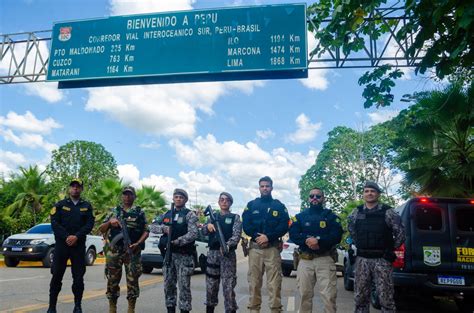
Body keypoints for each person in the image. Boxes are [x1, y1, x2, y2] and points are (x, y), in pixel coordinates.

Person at [348, 181, 406, 313]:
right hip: (362, 259)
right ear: (363, 194)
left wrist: (390, 249)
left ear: (378, 194)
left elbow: (401, 234)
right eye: (366, 191)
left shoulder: (388, 212)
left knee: (386, 298)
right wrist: (360, 245)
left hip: (382, 260)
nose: (369, 193)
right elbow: (352, 230)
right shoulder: (356, 212)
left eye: (372, 191)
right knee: (360, 298)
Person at [289, 187, 343, 313]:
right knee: (304, 296)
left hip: (325, 259)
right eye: (312, 196)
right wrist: (308, 241)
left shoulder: (331, 217)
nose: (314, 198)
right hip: (305, 260)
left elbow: (336, 236)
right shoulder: (300, 217)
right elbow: (294, 234)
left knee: (329, 296)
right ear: (308, 198)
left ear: (323, 199)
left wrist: (319, 241)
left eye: (318, 196)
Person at [242, 176, 290, 313]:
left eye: (267, 186)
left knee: (274, 284)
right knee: (254, 283)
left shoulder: (279, 206)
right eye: (262, 186)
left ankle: (275, 310)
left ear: (272, 188)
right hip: (255, 249)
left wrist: (268, 237)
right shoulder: (251, 205)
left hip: (272, 249)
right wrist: (259, 237)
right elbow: (246, 225)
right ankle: (253, 310)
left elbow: (284, 226)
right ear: (259, 188)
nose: (265, 188)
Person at [99, 186, 149, 313]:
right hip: (114, 251)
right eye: (125, 195)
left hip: (132, 250)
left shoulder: (139, 212)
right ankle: (112, 307)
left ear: (134, 196)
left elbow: (146, 231)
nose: (127, 197)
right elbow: (102, 229)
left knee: (133, 280)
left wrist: (138, 243)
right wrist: (110, 222)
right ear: (122, 196)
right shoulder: (114, 211)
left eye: (130, 195)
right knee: (112, 279)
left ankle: (131, 308)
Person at [48, 178, 94, 313]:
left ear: (81, 189)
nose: (75, 188)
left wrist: (77, 236)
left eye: (78, 186)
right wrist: (67, 237)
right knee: (56, 275)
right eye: (73, 186)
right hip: (62, 246)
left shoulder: (87, 206)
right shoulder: (60, 205)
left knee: (78, 278)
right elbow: (55, 224)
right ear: (69, 189)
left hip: (78, 247)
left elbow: (89, 224)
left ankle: (78, 306)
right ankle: (52, 307)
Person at [149, 189, 198, 313]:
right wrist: (164, 228)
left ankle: (184, 310)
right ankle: (170, 309)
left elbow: (193, 234)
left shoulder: (190, 214)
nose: (178, 199)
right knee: (168, 286)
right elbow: (152, 226)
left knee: (184, 287)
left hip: (183, 255)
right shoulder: (166, 213)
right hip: (169, 255)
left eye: (181, 197)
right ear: (173, 199)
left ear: (185, 200)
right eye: (176, 197)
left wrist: (178, 241)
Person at [202, 192, 242, 313]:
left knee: (228, 288)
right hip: (213, 254)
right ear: (219, 202)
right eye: (222, 200)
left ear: (230, 203)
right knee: (211, 287)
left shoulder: (235, 217)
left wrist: (227, 246)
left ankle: (230, 310)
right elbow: (203, 232)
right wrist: (207, 226)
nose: (224, 202)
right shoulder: (212, 218)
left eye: (227, 200)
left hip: (227, 255)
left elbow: (236, 236)